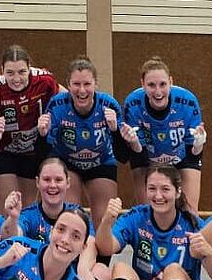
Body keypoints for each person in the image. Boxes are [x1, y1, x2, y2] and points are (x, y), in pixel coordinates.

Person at [96, 165, 212, 280]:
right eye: (152, 189)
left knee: (173, 270)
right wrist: (106, 222)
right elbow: (106, 249)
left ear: (178, 192)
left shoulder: (193, 224)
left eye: (165, 189)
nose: (158, 196)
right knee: (120, 268)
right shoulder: (136, 217)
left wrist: (208, 253)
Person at [39, 57, 141, 227]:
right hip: (68, 162)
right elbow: (44, 153)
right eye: (76, 84)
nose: (82, 90)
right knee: (69, 218)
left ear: (96, 84)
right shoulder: (57, 105)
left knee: (105, 221)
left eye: (87, 84)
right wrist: (42, 134)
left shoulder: (109, 105)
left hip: (101, 162)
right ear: (68, 85)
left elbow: (123, 157)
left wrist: (115, 131)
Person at [0, 157, 109, 280]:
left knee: (101, 271)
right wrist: (12, 218)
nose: (52, 185)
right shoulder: (29, 215)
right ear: (37, 182)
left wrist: (83, 270)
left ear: (67, 183)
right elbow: (11, 237)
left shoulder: (77, 213)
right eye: (46, 179)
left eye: (58, 180)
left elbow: (90, 243)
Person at [0, 44, 63, 215]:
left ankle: (26, 233)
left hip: (33, 148)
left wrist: (51, 123)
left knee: (27, 207)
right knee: (7, 203)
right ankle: (5, 232)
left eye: (22, 72)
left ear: (30, 68)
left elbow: (64, 98)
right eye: (10, 73)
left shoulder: (44, 81)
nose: (16, 79)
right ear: (2, 70)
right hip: (3, 150)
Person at [122, 56, 206, 213]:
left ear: (171, 82)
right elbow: (138, 157)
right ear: (143, 84)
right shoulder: (133, 104)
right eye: (151, 85)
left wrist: (198, 144)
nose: (158, 92)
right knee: (148, 212)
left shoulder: (187, 102)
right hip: (147, 159)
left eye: (163, 84)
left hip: (182, 158)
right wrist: (134, 143)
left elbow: (193, 156)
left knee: (189, 212)